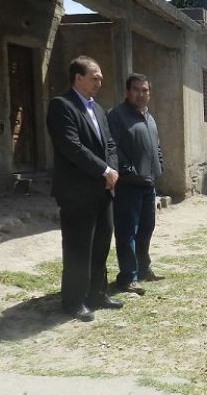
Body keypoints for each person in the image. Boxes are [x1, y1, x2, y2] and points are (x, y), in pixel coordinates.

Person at [46, 56, 122, 322]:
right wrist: (103, 170)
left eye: (100, 77)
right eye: (95, 77)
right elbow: (71, 146)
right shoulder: (62, 106)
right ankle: (74, 300)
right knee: (79, 246)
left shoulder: (98, 110)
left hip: (103, 190)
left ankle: (97, 293)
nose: (100, 81)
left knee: (102, 241)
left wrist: (111, 171)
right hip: (77, 192)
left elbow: (110, 144)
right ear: (78, 78)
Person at [107, 73, 165, 296]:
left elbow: (156, 146)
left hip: (148, 184)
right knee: (127, 231)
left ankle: (143, 268)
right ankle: (127, 277)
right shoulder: (117, 116)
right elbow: (112, 147)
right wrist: (127, 170)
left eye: (145, 90)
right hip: (128, 184)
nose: (141, 94)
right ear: (127, 92)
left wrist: (159, 164)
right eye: (136, 90)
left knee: (146, 228)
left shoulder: (149, 117)